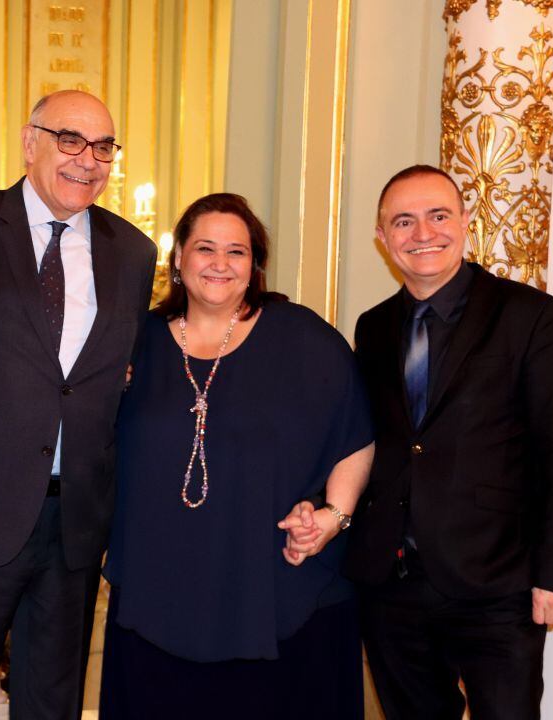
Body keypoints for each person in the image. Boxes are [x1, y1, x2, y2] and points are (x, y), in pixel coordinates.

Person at [0, 90, 157, 719]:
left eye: (103, 147)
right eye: (70, 139)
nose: (87, 160)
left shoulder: (134, 253)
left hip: (72, 526)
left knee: (53, 705)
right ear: (29, 142)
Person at [99, 193, 375, 719]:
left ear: (255, 266)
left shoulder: (304, 338)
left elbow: (356, 434)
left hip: (275, 590)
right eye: (205, 248)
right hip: (159, 592)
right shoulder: (134, 341)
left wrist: (333, 517)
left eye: (237, 252)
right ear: (178, 258)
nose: (220, 264)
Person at [337, 164, 553, 720]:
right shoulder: (372, 327)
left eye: (438, 215)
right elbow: (370, 441)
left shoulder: (530, 316)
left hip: (497, 585)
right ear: (382, 238)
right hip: (392, 584)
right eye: (403, 221)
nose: (422, 233)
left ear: (466, 222)